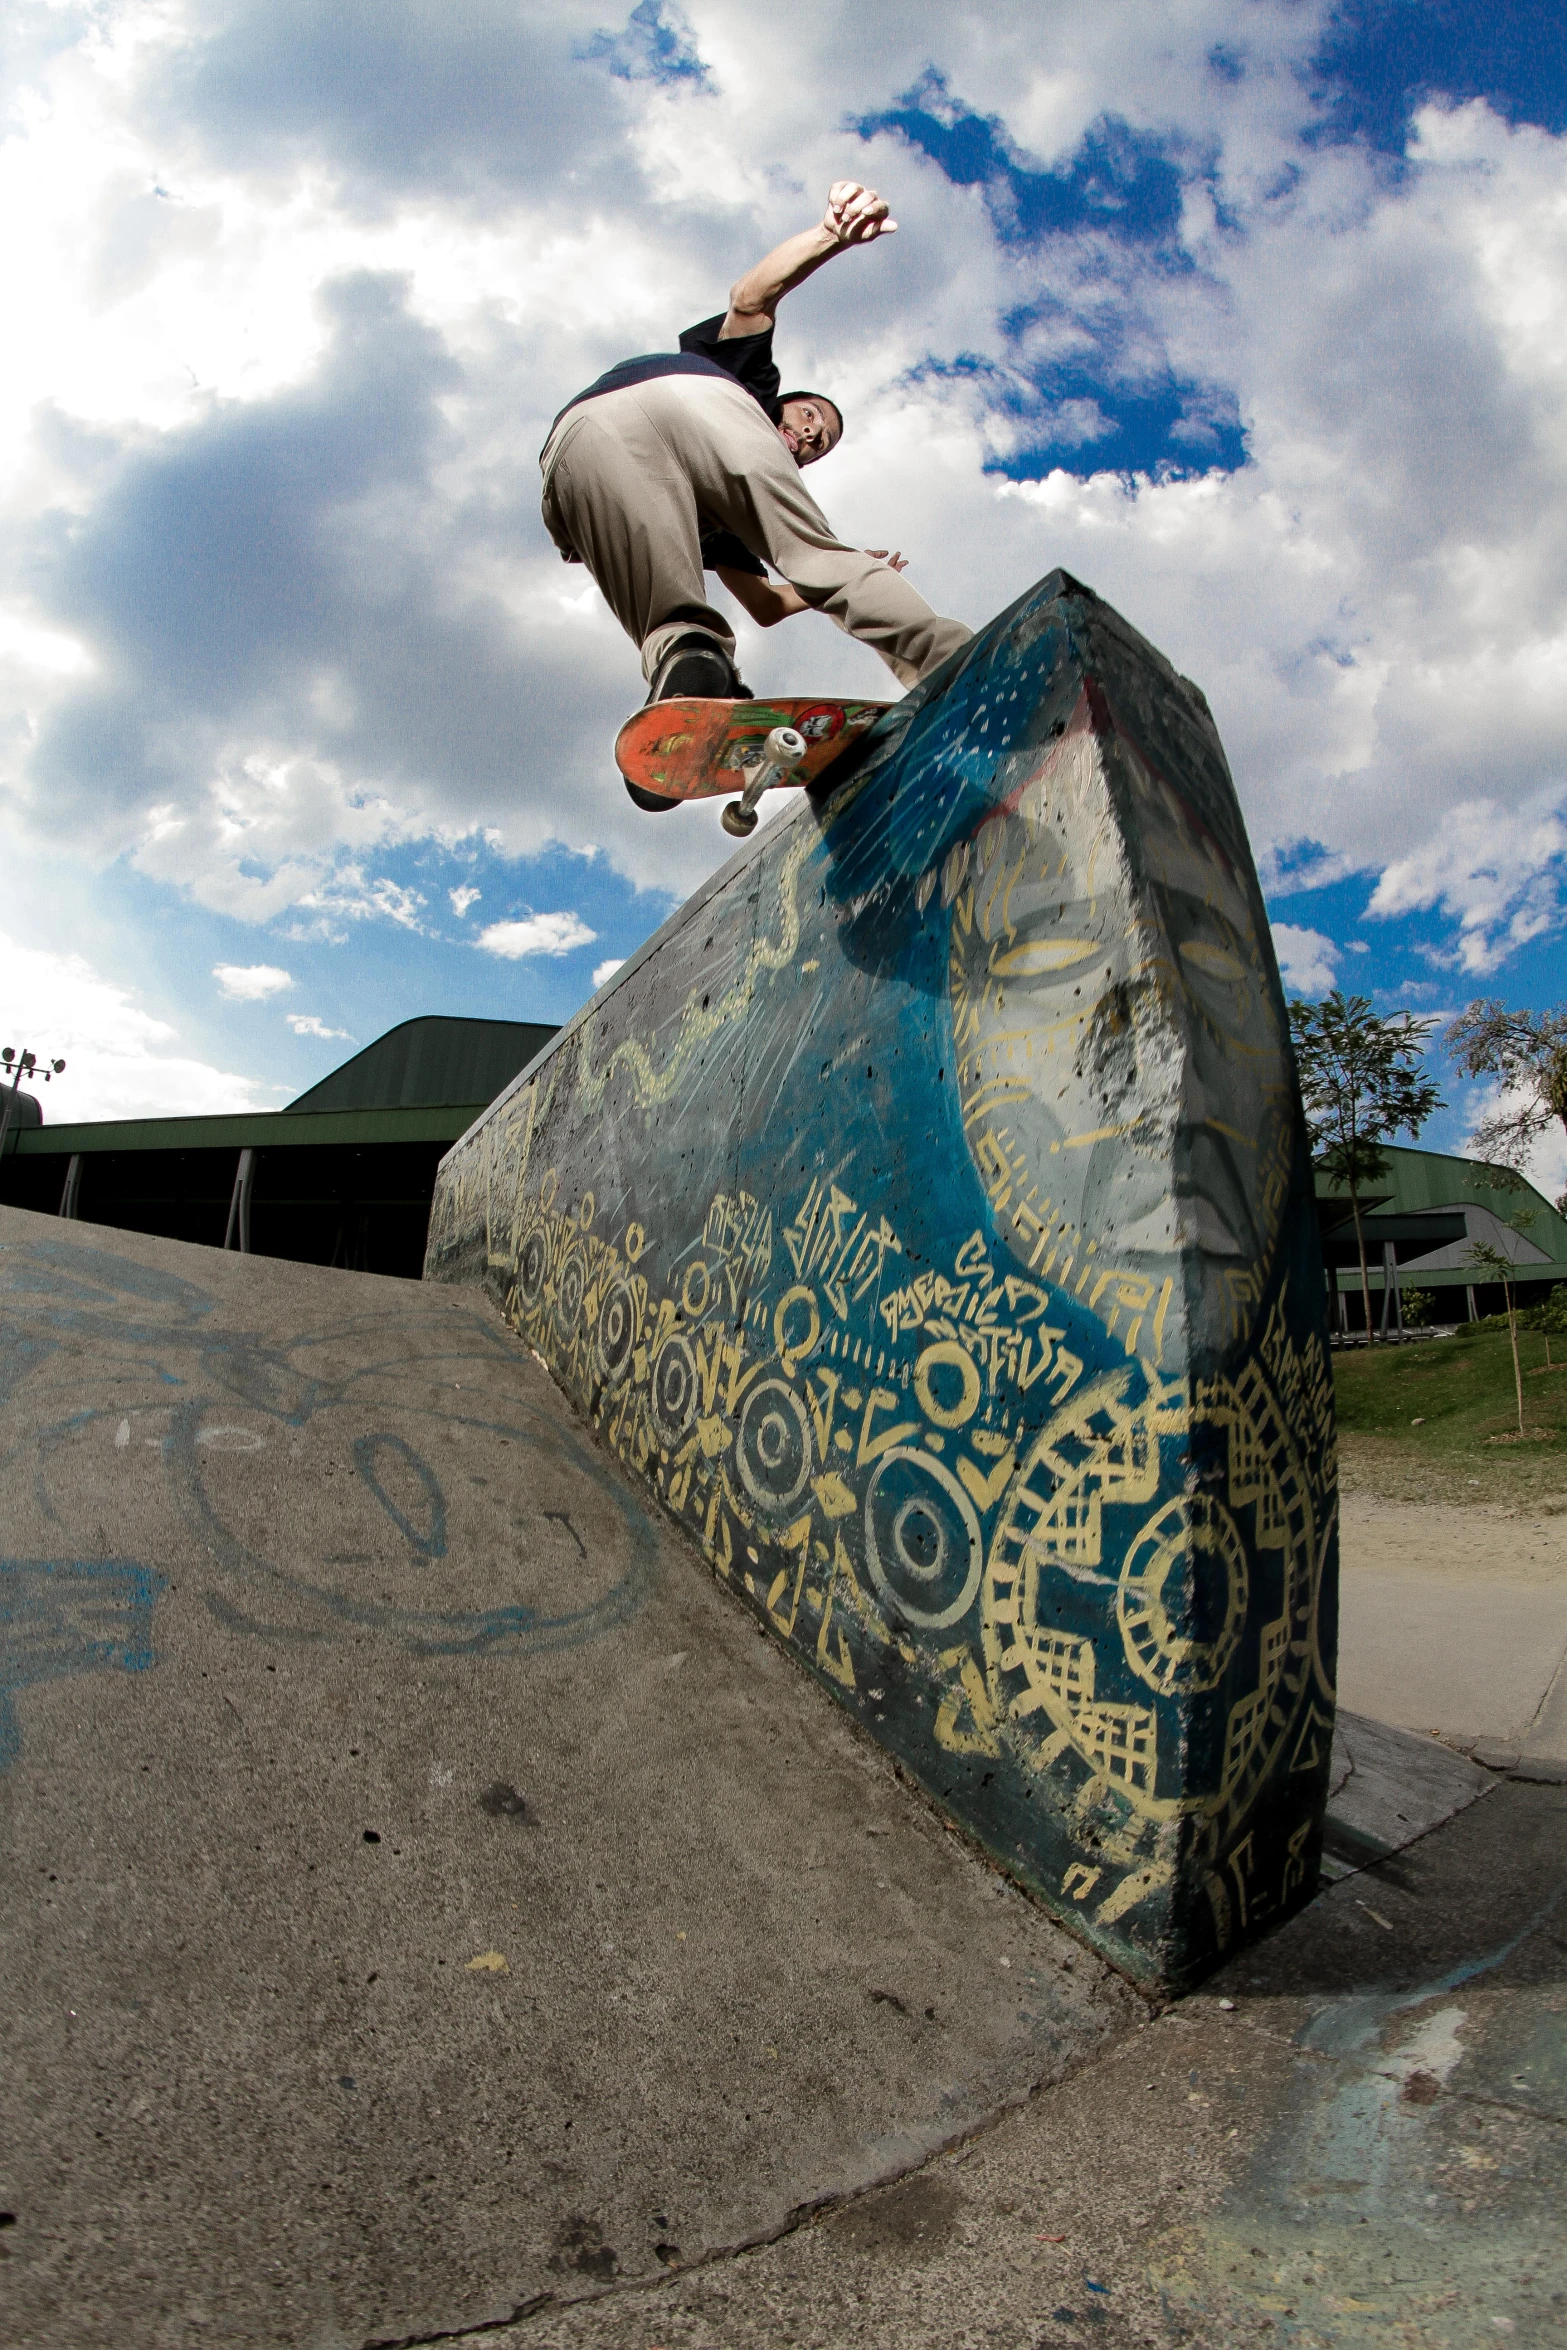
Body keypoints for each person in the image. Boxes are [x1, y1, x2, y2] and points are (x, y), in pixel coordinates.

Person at [538, 180, 973, 805]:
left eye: (817, 444)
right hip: (699, 397)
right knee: (822, 555)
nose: (806, 435)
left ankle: (694, 671)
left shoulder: (729, 520)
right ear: (783, 403)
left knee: (676, 618)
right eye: (808, 417)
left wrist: (843, 573)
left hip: (583, 439)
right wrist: (830, 235)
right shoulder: (751, 382)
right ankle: (953, 661)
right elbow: (751, 296)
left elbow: (765, 604)